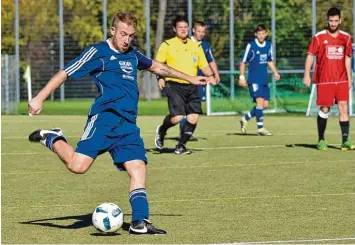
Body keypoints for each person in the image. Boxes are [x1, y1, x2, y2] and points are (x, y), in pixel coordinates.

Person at [27, 11, 208, 235]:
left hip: (128, 125)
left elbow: (159, 67)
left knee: (138, 168)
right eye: (123, 34)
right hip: (104, 119)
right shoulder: (98, 52)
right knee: (77, 166)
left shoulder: (132, 55)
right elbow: (66, 72)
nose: (126, 40)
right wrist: (40, 97)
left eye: (131, 36)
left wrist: (191, 78)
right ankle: (53, 137)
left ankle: (139, 222)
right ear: (113, 31)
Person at [154, 16, 217, 155]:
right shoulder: (167, 45)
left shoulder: (196, 46)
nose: (183, 30)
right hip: (174, 85)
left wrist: (211, 76)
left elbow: (204, 66)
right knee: (177, 118)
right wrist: (160, 78)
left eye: (185, 27)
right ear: (174, 29)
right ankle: (162, 129)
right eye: (180, 27)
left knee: (193, 117)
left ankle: (181, 145)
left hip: (192, 85)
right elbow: (158, 65)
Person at [303, 7, 354, 151]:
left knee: (343, 107)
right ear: (327, 20)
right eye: (331, 21)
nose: (333, 24)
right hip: (325, 80)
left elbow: (347, 59)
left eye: (336, 21)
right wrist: (307, 74)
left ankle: (345, 140)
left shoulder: (346, 38)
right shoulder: (319, 37)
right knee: (325, 108)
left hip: (342, 79)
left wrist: (349, 78)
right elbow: (310, 56)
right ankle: (321, 139)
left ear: (340, 21)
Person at [178, 21, 221, 141]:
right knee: (186, 107)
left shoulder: (205, 45)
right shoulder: (185, 42)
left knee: (195, 109)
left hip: (200, 81)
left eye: (203, 32)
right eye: (199, 31)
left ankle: (187, 131)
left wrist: (215, 74)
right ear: (193, 30)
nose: (201, 34)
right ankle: (184, 132)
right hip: (186, 80)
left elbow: (210, 61)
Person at [239, 24, 280, 136]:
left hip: (264, 79)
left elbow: (269, 60)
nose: (261, 36)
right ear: (255, 34)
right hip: (254, 79)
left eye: (263, 33)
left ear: (266, 34)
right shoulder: (251, 46)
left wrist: (275, 72)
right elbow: (243, 62)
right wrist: (242, 77)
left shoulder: (268, 45)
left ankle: (245, 118)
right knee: (260, 102)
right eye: (259, 34)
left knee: (264, 105)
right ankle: (260, 129)